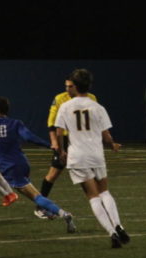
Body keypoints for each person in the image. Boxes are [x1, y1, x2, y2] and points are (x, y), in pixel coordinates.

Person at [0, 97, 76, 232]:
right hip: (23, 163)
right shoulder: (15, 123)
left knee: (35, 197)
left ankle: (63, 214)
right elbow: (29, 137)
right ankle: (48, 210)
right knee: (30, 190)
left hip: (10, 168)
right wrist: (49, 145)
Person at [55, 69, 128, 248]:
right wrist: (112, 145)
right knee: (105, 192)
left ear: (75, 86)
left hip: (77, 156)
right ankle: (119, 225)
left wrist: (61, 151)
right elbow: (106, 134)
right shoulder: (97, 106)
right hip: (96, 154)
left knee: (93, 197)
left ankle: (112, 233)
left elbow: (58, 132)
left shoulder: (65, 106)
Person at [35, 68, 98, 217]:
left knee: (92, 173)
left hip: (83, 141)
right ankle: (39, 207)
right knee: (53, 173)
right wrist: (55, 142)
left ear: (77, 86)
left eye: (70, 86)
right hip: (64, 139)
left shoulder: (91, 98)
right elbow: (51, 123)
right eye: (66, 86)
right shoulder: (60, 98)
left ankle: (99, 204)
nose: (67, 89)